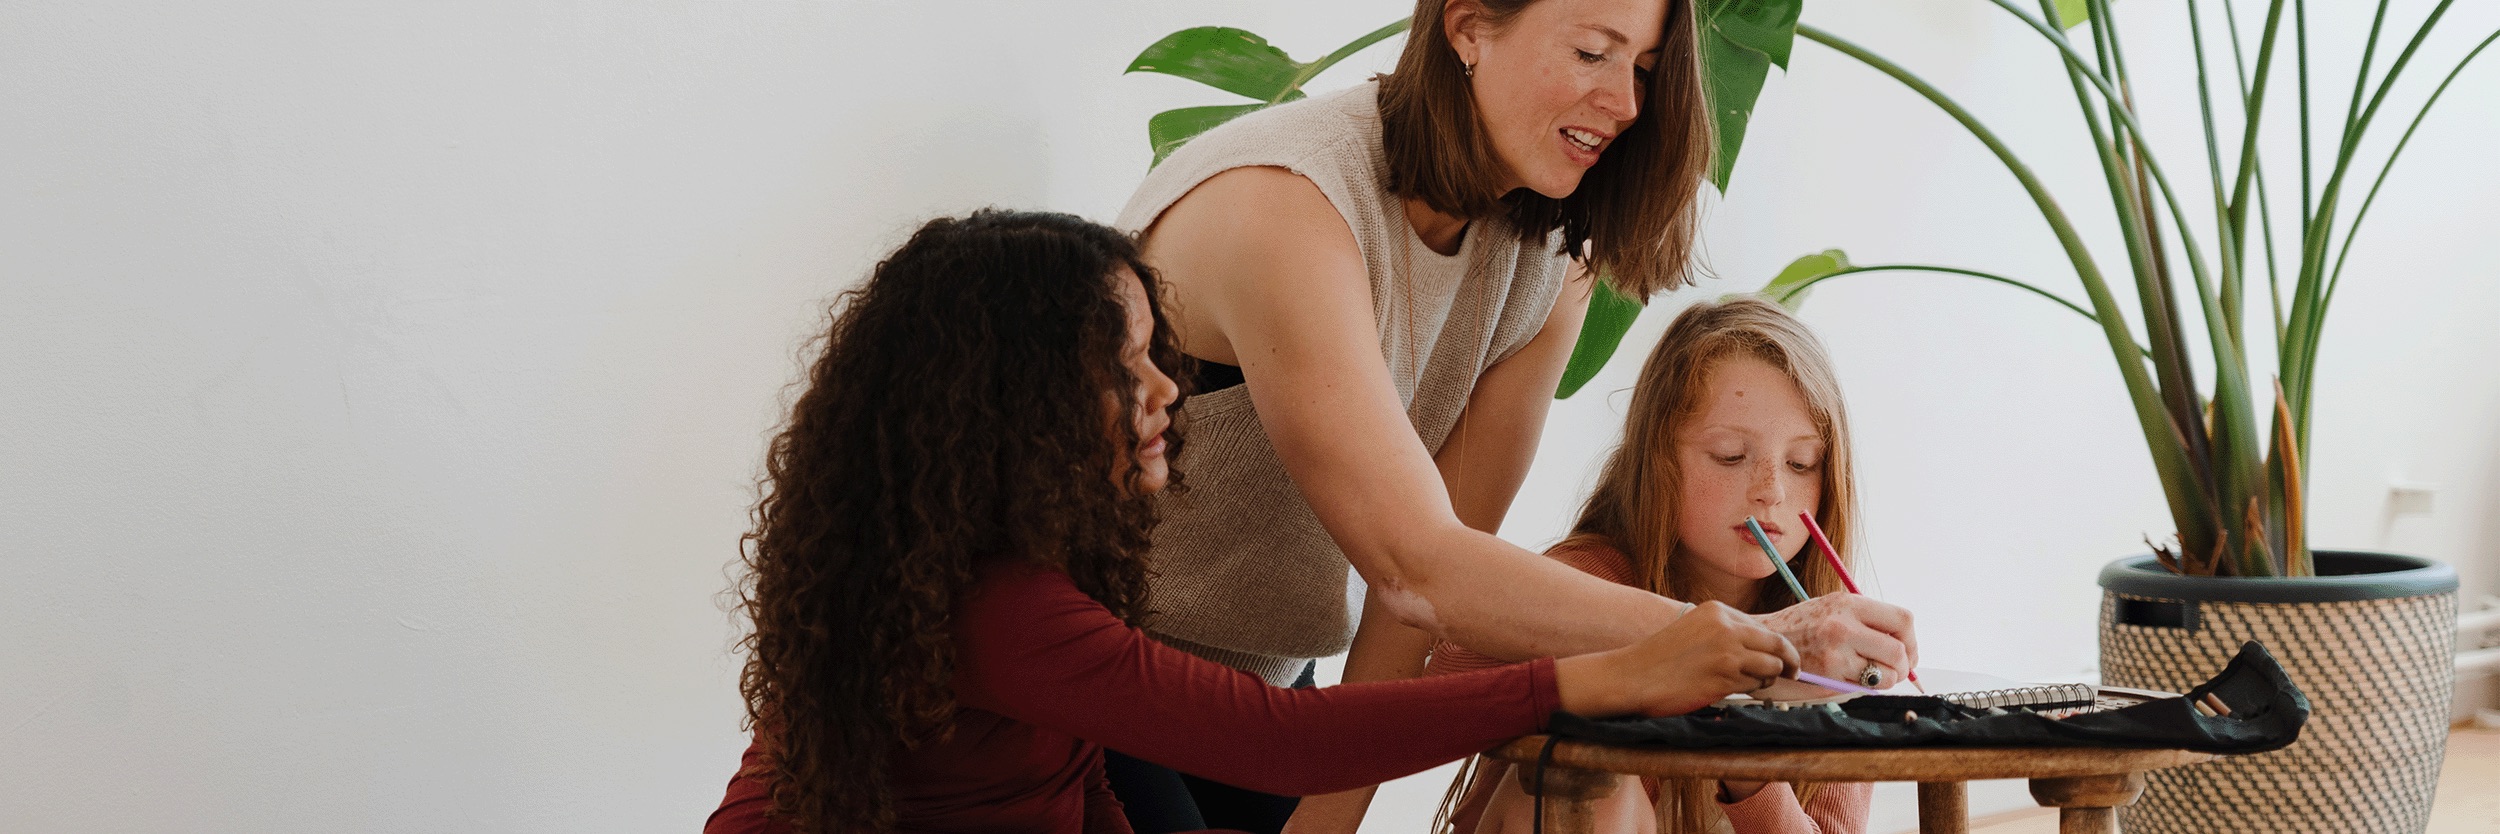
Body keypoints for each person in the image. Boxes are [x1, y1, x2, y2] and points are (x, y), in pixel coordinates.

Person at [701, 210, 1807, 834]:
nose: (1165, 392)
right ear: (1019, 402)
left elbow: (1076, 790)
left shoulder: (1040, 572)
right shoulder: (1005, 611)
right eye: (1123, 365)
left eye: (1156, 356)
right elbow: (1282, 740)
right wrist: (1594, 675)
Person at [1111, 0, 1916, 829]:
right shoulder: (1285, 203)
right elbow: (1414, 565)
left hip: (1262, 690)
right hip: (1094, 676)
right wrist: (1758, 652)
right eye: (1593, 53)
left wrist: (1328, 822)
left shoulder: (1551, 258)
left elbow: (1433, 585)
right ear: (1466, 27)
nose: (1627, 103)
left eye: (1640, 68)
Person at [1418, 298, 1875, 834]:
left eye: (1803, 464)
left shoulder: (1836, 641)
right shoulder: (1596, 576)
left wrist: (1751, 773)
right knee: (1598, 783)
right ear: (1657, 460)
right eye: (1730, 455)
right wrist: (1662, 664)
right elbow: (1445, 675)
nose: (1772, 491)